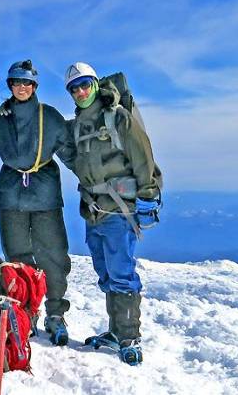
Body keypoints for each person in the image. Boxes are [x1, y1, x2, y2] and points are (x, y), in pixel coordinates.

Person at [63, 62, 162, 365]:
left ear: (95, 85)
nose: (80, 92)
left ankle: (129, 336)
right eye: (74, 88)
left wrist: (148, 196)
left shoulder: (118, 119)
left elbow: (143, 158)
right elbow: (79, 163)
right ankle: (116, 331)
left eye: (85, 85)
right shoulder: (78, 125)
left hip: (120, 210)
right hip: (94, 211)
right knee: (105, 271)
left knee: (121, 273)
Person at [0, 60, 75, 346]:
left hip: (45, 192)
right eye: (16, 82)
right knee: (17, 255)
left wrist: (96, 184)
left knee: (53, 254)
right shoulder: (0, 119)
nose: (21, 87)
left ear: (34, 86)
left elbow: (71, 153)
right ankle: (26, 311)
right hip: (11, 193)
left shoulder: (49, 117)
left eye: (27, 83)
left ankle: (55, 313)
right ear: (10, 86)